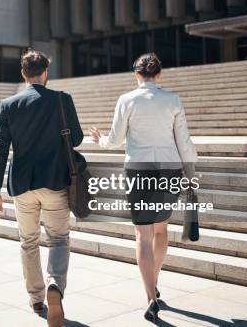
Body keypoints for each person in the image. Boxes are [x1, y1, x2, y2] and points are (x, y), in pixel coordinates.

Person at [89, 52, 197, 322]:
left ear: (136, 74)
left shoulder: (127, 100)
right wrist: (190, 174)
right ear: (159, 75)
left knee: (143, 236)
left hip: (139, 170)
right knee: (161, 231)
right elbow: (184, 141)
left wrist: (99, 140)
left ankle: (150, 296)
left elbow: (115, 140)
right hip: (170, 169)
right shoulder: (173, 100)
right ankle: (154, 281)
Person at [0, 49, 83, 327]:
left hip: (22, 185)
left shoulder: (9, 105)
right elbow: (76, 138)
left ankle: (36, 299)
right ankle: (55, 285)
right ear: (46, 73)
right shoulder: (62, 100)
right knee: (58, 239)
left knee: (28, 242)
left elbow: (0, 148)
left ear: (23, 74)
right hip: (55, 181)